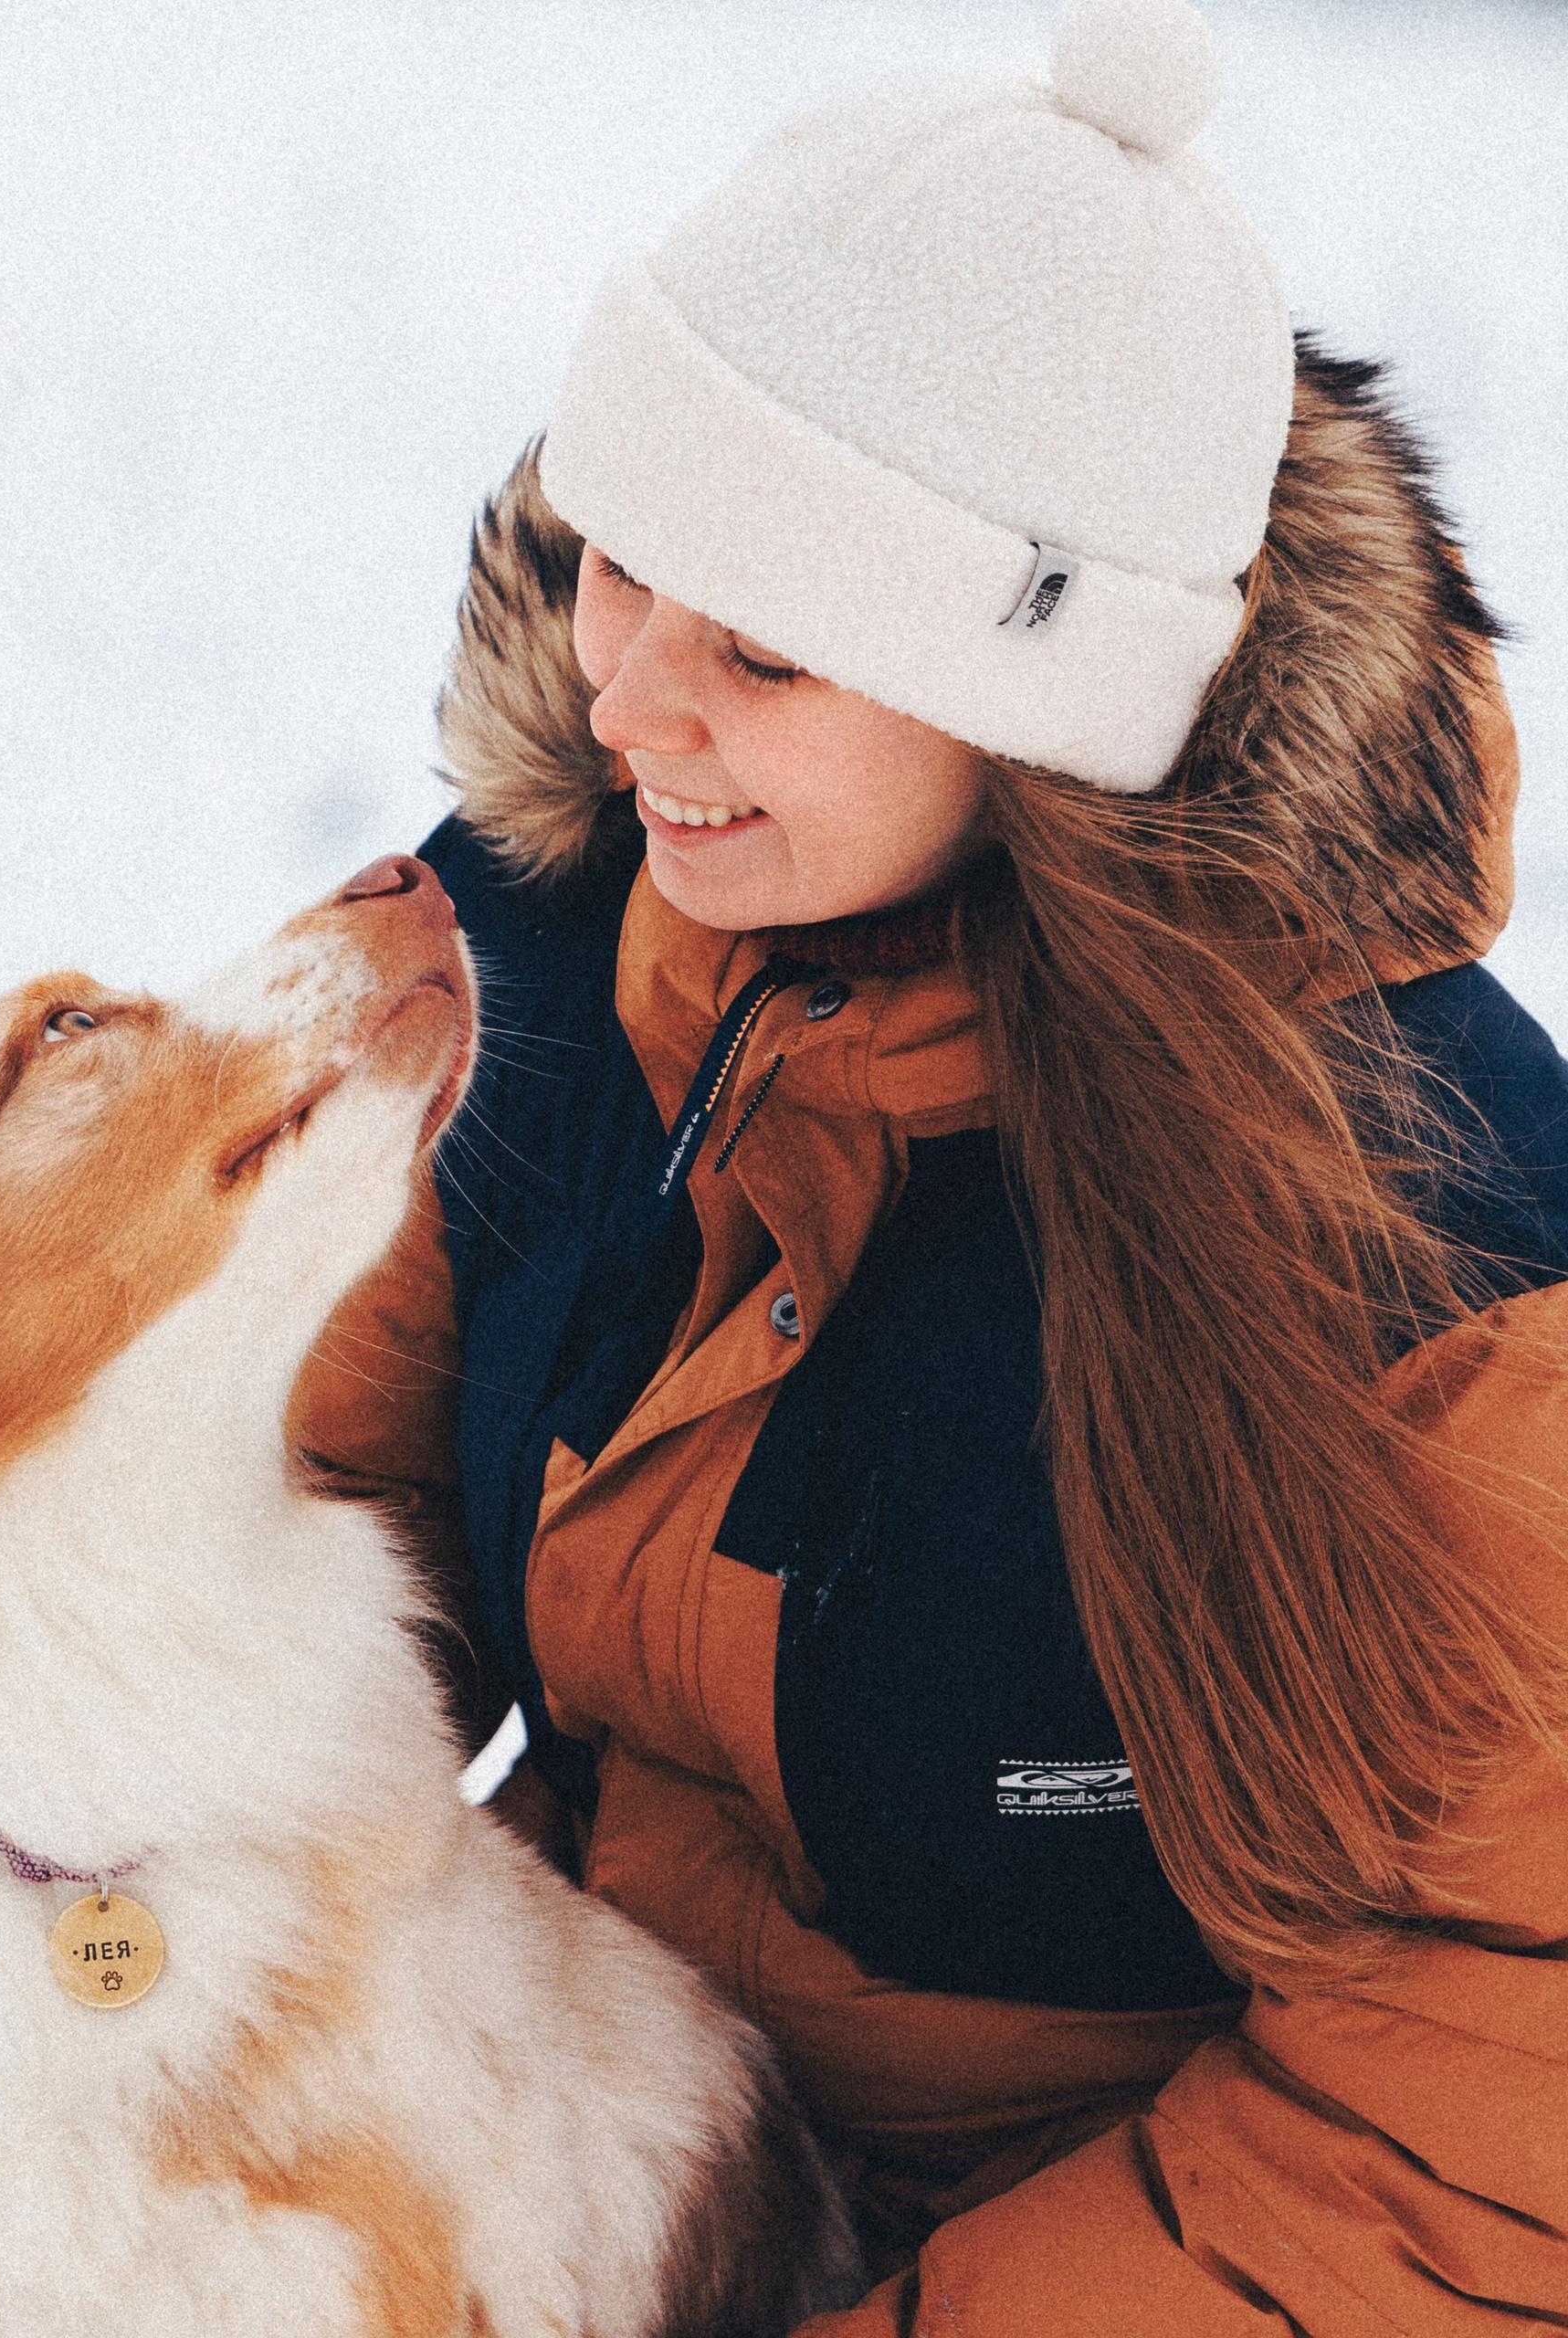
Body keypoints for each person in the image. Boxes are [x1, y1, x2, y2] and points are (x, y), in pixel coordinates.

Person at [286, 0, 1568, 2329]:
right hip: (574, 2153)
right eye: (613, 560)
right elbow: (255, 1557)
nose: (623, 698)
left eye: (761, 648)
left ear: (1043, 716)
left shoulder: (1433, 1269)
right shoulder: (544, 966)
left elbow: (1471, 2142)